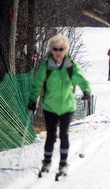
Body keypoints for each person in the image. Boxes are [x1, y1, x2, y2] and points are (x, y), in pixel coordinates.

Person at [28, 33, 91, 174]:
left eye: (61, 49)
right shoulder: (47, 66)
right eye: (55, 49)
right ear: (51, 50)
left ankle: (63, 163)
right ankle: (47, 162)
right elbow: (37, 84)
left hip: (67, 107)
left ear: (65, 50)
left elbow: (82, 80)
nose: (58, 52)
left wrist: (86, 91)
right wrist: (32, 99)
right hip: (50, 106)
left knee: (64, 134)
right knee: (51, 135)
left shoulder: (70, 66)